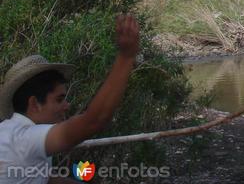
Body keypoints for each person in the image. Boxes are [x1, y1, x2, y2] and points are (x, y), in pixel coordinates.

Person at [0, 15, 140, 184]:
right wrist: (126, 57)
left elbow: (43, 177)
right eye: (59, 99)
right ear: (34, 103)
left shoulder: (12, 134)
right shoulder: (25, 139)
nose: (67, 106)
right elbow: (94, 121)